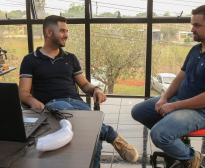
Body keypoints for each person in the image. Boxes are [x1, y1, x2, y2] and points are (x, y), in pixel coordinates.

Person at [19, 15, 139, 168]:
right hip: (52, 106)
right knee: (89, 123)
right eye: (62, 31)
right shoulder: (30, 60)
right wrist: (32, 100)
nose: (66, 35)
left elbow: (85, 85)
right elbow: (23, 92)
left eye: (67, 31)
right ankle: (113, 136)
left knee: (93, 134)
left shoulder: (71, 58)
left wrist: (95, 89)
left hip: (75, 102)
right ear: (49, 32)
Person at [131, 5, 205, 168]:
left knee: (159, 134)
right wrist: (164, 98)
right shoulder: (196, 49)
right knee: (138, 111)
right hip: (180, 101)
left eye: (197, 25)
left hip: (204, 111)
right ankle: (175, 142)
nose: (192, 30)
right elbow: (180, 77)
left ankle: (191, 157)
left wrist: (173, 106)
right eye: (192, 25)